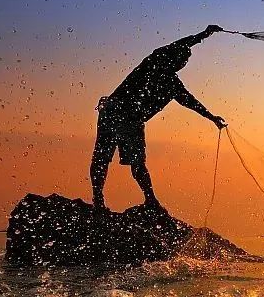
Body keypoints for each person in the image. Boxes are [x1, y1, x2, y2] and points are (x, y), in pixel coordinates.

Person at [90, 24, 226, 211]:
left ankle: (150, 200)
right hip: (115, 111)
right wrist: (204, 34)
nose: (182, 62)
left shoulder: (172, 84)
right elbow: (181, 44)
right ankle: (99, 200)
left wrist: (212, 118)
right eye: (181, 58)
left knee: (136, 163)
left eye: (185, 61)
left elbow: (190, 101)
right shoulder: (154, 62)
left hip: (130, 120)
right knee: (102, 159)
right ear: (172, 56)